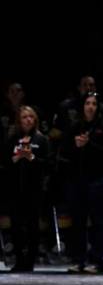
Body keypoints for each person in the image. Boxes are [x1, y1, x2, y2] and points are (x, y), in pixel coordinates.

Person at [63, 92, 103, 274]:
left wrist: (88, 143)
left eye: (93, 103)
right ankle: (78, 260)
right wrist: (75, 146)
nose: (90, 106)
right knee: (78, 222)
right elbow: (65, 151)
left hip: (99, 179)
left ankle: (98, 261)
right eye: (87, 103)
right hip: (77, 180)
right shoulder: (74, 126)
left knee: (98, 221)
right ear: (82, 106)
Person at [5, 106, 49, 272]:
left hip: (34, 190)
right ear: (19, 121)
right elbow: (5, 163)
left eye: (31, 116)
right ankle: (19, 260)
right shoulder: (11, 139)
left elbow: (48, 164)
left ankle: (30, 260)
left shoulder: (41, 139)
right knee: (16, 226)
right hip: (15, 189)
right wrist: (17, 157)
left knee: (32, 226)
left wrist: (31, 157)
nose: (28, 119)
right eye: (24, 117)